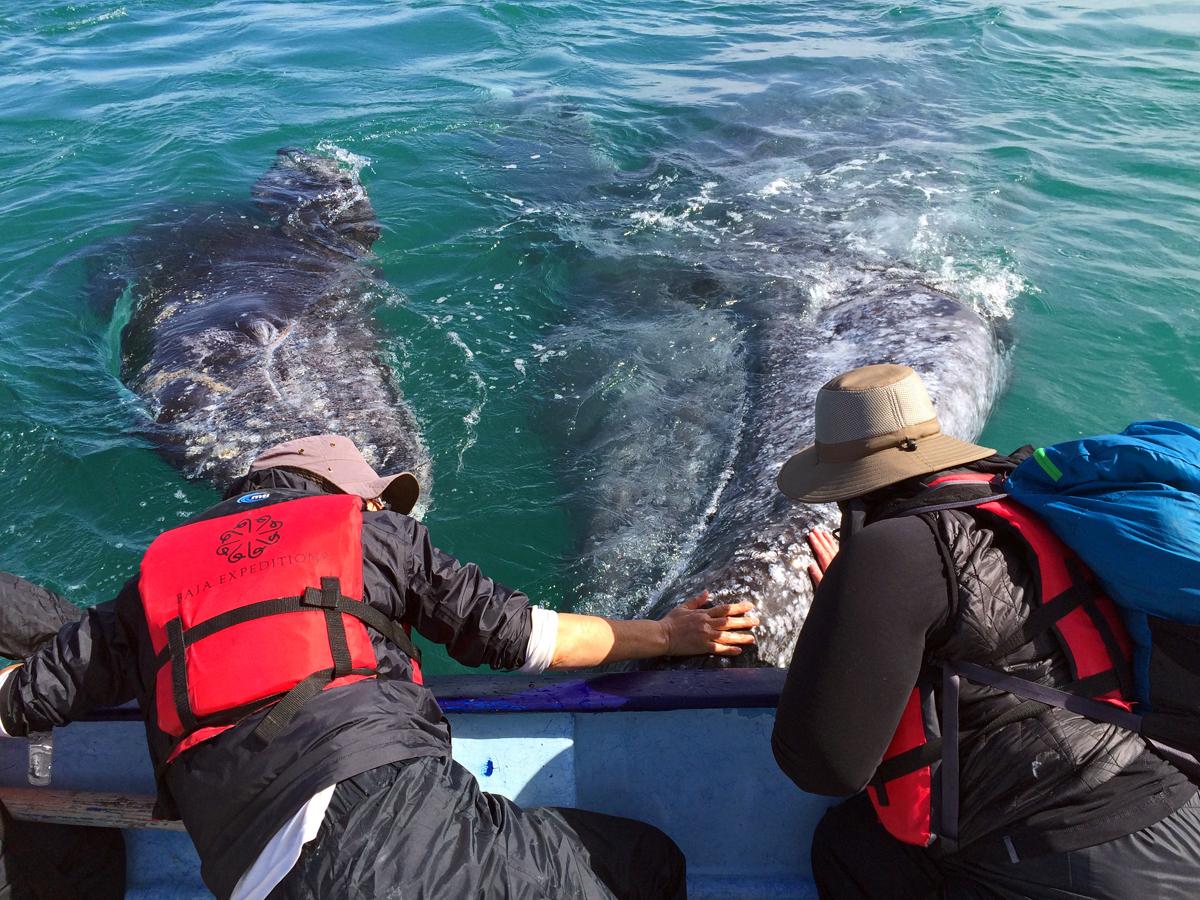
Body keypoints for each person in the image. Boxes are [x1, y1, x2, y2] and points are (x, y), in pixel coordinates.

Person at [0, 434, 758, 900]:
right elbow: (528, 639)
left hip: (256, 881)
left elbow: (24, 697)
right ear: (342, 496)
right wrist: (667, 635)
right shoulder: (371, 537)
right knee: (647, 864)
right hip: (400, 828)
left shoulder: (153, 583)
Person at [769, 364, 1200, 899]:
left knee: (848, 845)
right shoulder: (1020, 495)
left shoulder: (891, 550)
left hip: (1072, 859)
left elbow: (823, 766)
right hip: (1174, 815)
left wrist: (838, 612)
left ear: (846, 487)